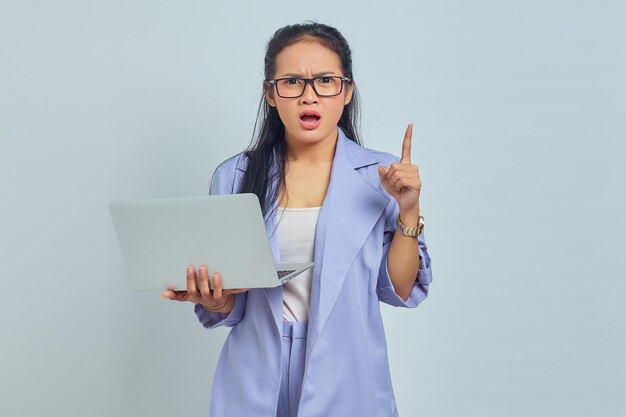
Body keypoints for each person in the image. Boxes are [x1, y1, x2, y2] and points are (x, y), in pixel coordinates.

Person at [161, 22, 433, 417]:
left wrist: (409, 209)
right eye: (291, 82)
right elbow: (230, 306)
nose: (309, 96)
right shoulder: (234, 177)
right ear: (271, 94)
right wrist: (214, 297)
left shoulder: (383, 176)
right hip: (255, 374)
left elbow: (399, 289)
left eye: (325, 80)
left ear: (347, 91)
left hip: (348, 373)